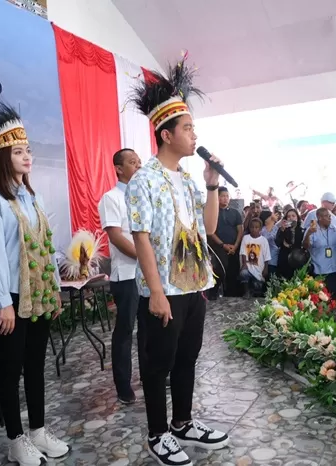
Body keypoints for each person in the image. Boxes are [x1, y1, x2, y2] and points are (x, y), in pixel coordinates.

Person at [126, 54, 230, 466]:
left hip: (194, 285)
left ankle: (183, 422)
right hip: (164, 290)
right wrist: (155, 292)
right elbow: (142, 239)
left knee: (187, 357)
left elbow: (207, 228)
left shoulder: (188, 179)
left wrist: (211, 186)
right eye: (188, 128)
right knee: (158, 363)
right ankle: (157, 432)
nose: (194, 134)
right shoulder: (144, 180)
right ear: (166, 134)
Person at [0, 102, 70, 465]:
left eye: (27, 149)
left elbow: (46, 247)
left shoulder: (34, 197)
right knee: (11, 370)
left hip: (39, 296)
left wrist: (55, 288)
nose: (27, 156)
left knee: (36, 365)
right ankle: (15, 440)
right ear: (1, 156)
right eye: (18, 151)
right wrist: (2, 302)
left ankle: (39, 432)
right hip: (11, 299)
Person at [99, 148, 143, 404]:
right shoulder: (111, 198)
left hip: (148, 274)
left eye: (139, 162)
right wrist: (145, 257)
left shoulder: (143, 198)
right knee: (125, 330)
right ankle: (123, 384)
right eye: (131, 162)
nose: (137, 165)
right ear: (118, 168)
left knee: (150, 328)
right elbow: (116, 236)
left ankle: (151, 374)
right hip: (126, 275)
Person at [302, 207, 336, 313]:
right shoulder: (312, 230)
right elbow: (305, 246)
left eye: (330, 216)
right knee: (321, 295)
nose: (329, 218)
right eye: (327, 216)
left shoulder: (335, 229)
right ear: (319, 217)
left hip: (334, 267)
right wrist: (308, 234)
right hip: (319, 268)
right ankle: (322, 315)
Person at [208, 186, 243, 298]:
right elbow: (210, 231)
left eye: (227, 196)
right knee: (218, 271)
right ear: (217, 197)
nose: (225, 198)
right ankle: (214, 294)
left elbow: (240, 230)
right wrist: (222, 245)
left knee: (233, 273)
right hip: (218, 248)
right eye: (223, 196)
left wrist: (235, 246)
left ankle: (232, 296)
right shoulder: (212, 212)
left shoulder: (235, 213)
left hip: (233, 248)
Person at [239, 217, 271, 297]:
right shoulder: (246, 238)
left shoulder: (264, 240)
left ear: (260, 228)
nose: (254, 229)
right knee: (243, 274)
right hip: (248, 266)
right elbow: (243, 252)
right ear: (249, 228)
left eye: (256, 227)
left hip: (259, 267)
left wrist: (266, 268)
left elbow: (267, 256)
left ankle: (254, 291)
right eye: (252, 227)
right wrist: (244, 264)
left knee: (258, 287)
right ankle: (246, 292)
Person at [275, 208, 306, 280]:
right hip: (284, 259)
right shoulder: (282, 229)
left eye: (293, 216)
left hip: (298, 259)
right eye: (288, 216)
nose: (291, 218)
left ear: (297, 218)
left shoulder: (301, 229)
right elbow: (277, 243)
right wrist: (282, 230)